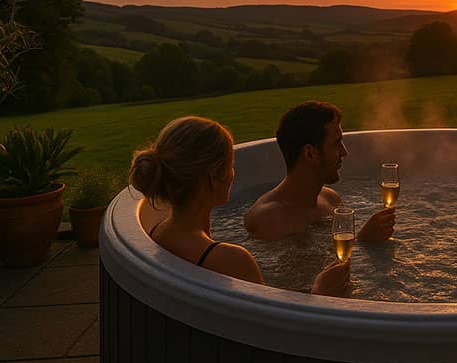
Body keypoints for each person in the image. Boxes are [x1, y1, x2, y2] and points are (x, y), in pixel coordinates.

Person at [130, 116, 349, 295]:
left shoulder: (156, 234)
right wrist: (320, 292)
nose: (233, 173)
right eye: (231, 165)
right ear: (214, 178)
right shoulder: (233, 261)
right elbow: (271, 328)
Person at [245, 101, 395, 242]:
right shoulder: (269, 218)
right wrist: (363, 241)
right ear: (310, 154)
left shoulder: (331, 200)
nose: (344, 152)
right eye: (336, 142)